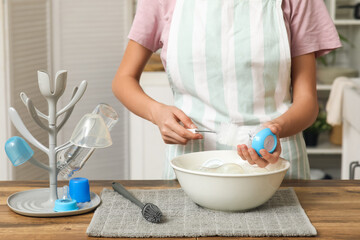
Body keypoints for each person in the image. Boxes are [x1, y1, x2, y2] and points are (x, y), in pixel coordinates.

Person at [112, 0, 341, 179]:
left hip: (275, 166)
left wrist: (277, 128)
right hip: (193, 168)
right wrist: (157, 113)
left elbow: (308, 102)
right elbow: (123, 80)